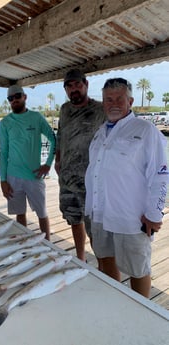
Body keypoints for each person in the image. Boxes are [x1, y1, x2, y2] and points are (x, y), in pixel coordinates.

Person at [85, 77, 169, 297]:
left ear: (130, 101)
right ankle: (115, 302)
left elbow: (161, 175)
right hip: (100, 213)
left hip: (131, 217)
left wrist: (154, 213)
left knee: (138, 269)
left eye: (119, 99)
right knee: (104, 260)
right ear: (102, 103)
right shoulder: (101, 131)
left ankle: (142, 311)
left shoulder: (146, 130)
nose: (113, 103)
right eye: (108, 99)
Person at [55, 69, 106, 261]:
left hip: (91, 182)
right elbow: (60, 136)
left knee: (94, 228)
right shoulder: (64, 109)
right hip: (66, 180)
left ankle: (103, 265)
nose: (74, 89)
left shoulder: (101, 109)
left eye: (77, 84)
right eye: (69, 86)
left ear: (86, 85)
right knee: (74, 220)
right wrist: (58, 159)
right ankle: (81, 258)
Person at [0, 85, 56, 240]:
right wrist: (3, 180)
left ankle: (48, 245)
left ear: (24, 97)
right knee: (19, 214)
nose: (14, 100)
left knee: (42, 213)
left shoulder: (36, 118)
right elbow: (3, 153)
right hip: (12, 176)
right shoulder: (5, 123)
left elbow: (53, 139)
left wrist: (48, 163)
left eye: (17, 96)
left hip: (34, 176)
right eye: (10, 98)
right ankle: (24, 245)